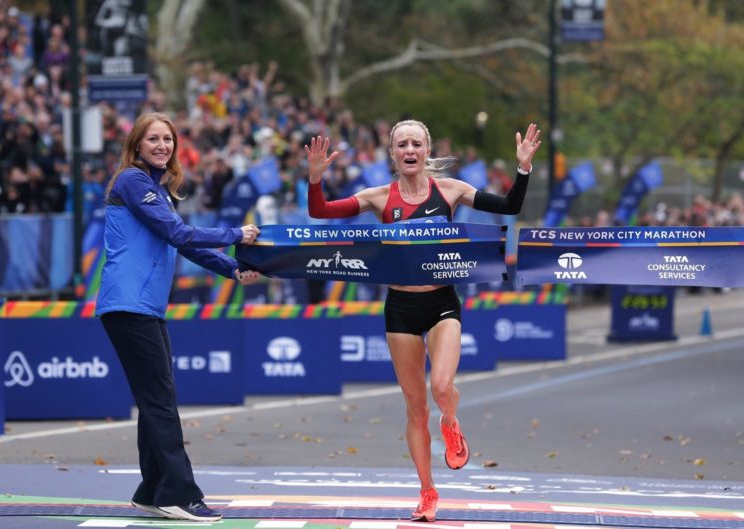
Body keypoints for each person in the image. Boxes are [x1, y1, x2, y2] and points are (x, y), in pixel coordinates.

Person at [305, 120, 541, 521]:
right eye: (402, 144)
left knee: (442, 386)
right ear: (393, 154)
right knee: (416, 407)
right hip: (400, 308)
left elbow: (509, 207)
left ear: (426, 150)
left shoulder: (449, 190)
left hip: (442, 303)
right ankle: (428, 492)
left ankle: (451, 422)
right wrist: (314, 178)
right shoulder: (379, 197)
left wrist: (523, 169)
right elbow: (320, 212)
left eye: (416, 143)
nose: (409, 150)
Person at [95, 112, 261, 522]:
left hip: (143, 307)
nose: (161, 146)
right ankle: (179, 494)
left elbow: (184, 244)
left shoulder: (157, 189)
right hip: (128, 305)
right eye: (153, 139)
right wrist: (236, 235)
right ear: (136, 145)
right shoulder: (133, 181)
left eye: (167, 139)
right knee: (161, 402)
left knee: (157, 400)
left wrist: (233, 268)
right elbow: (179, 234)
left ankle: (152, 489)